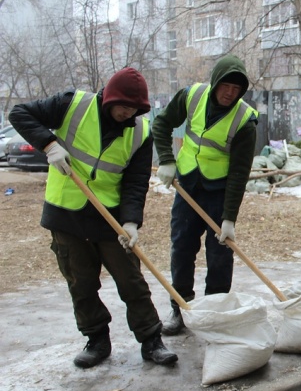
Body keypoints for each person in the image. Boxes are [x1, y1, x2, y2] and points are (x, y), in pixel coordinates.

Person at [8, 67, 178, 368]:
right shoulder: (71, 105)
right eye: (123, 106)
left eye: (134, 109)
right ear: (109, 98)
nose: (127, 113)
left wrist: (130, 222)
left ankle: (151, 340)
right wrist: (49, 145)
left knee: (132, 281)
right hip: (66, 214)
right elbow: (19, 114)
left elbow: (136, 181)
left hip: (109, 218)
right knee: (81, 283)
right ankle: (96, 339)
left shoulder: (140, 132)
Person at [152, 54, 258, 335]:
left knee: (220, 256)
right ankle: (181, 309)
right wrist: (166, 160)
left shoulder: (245, 120)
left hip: (219, 193)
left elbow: (239, 172)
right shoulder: (192, 96)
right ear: (215, 82)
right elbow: (161, 124)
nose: (230, 94)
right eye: (226, 86)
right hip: (187, 187)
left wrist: (229, 218)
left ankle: (215, 312)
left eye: (237, 90)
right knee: (182, 248)